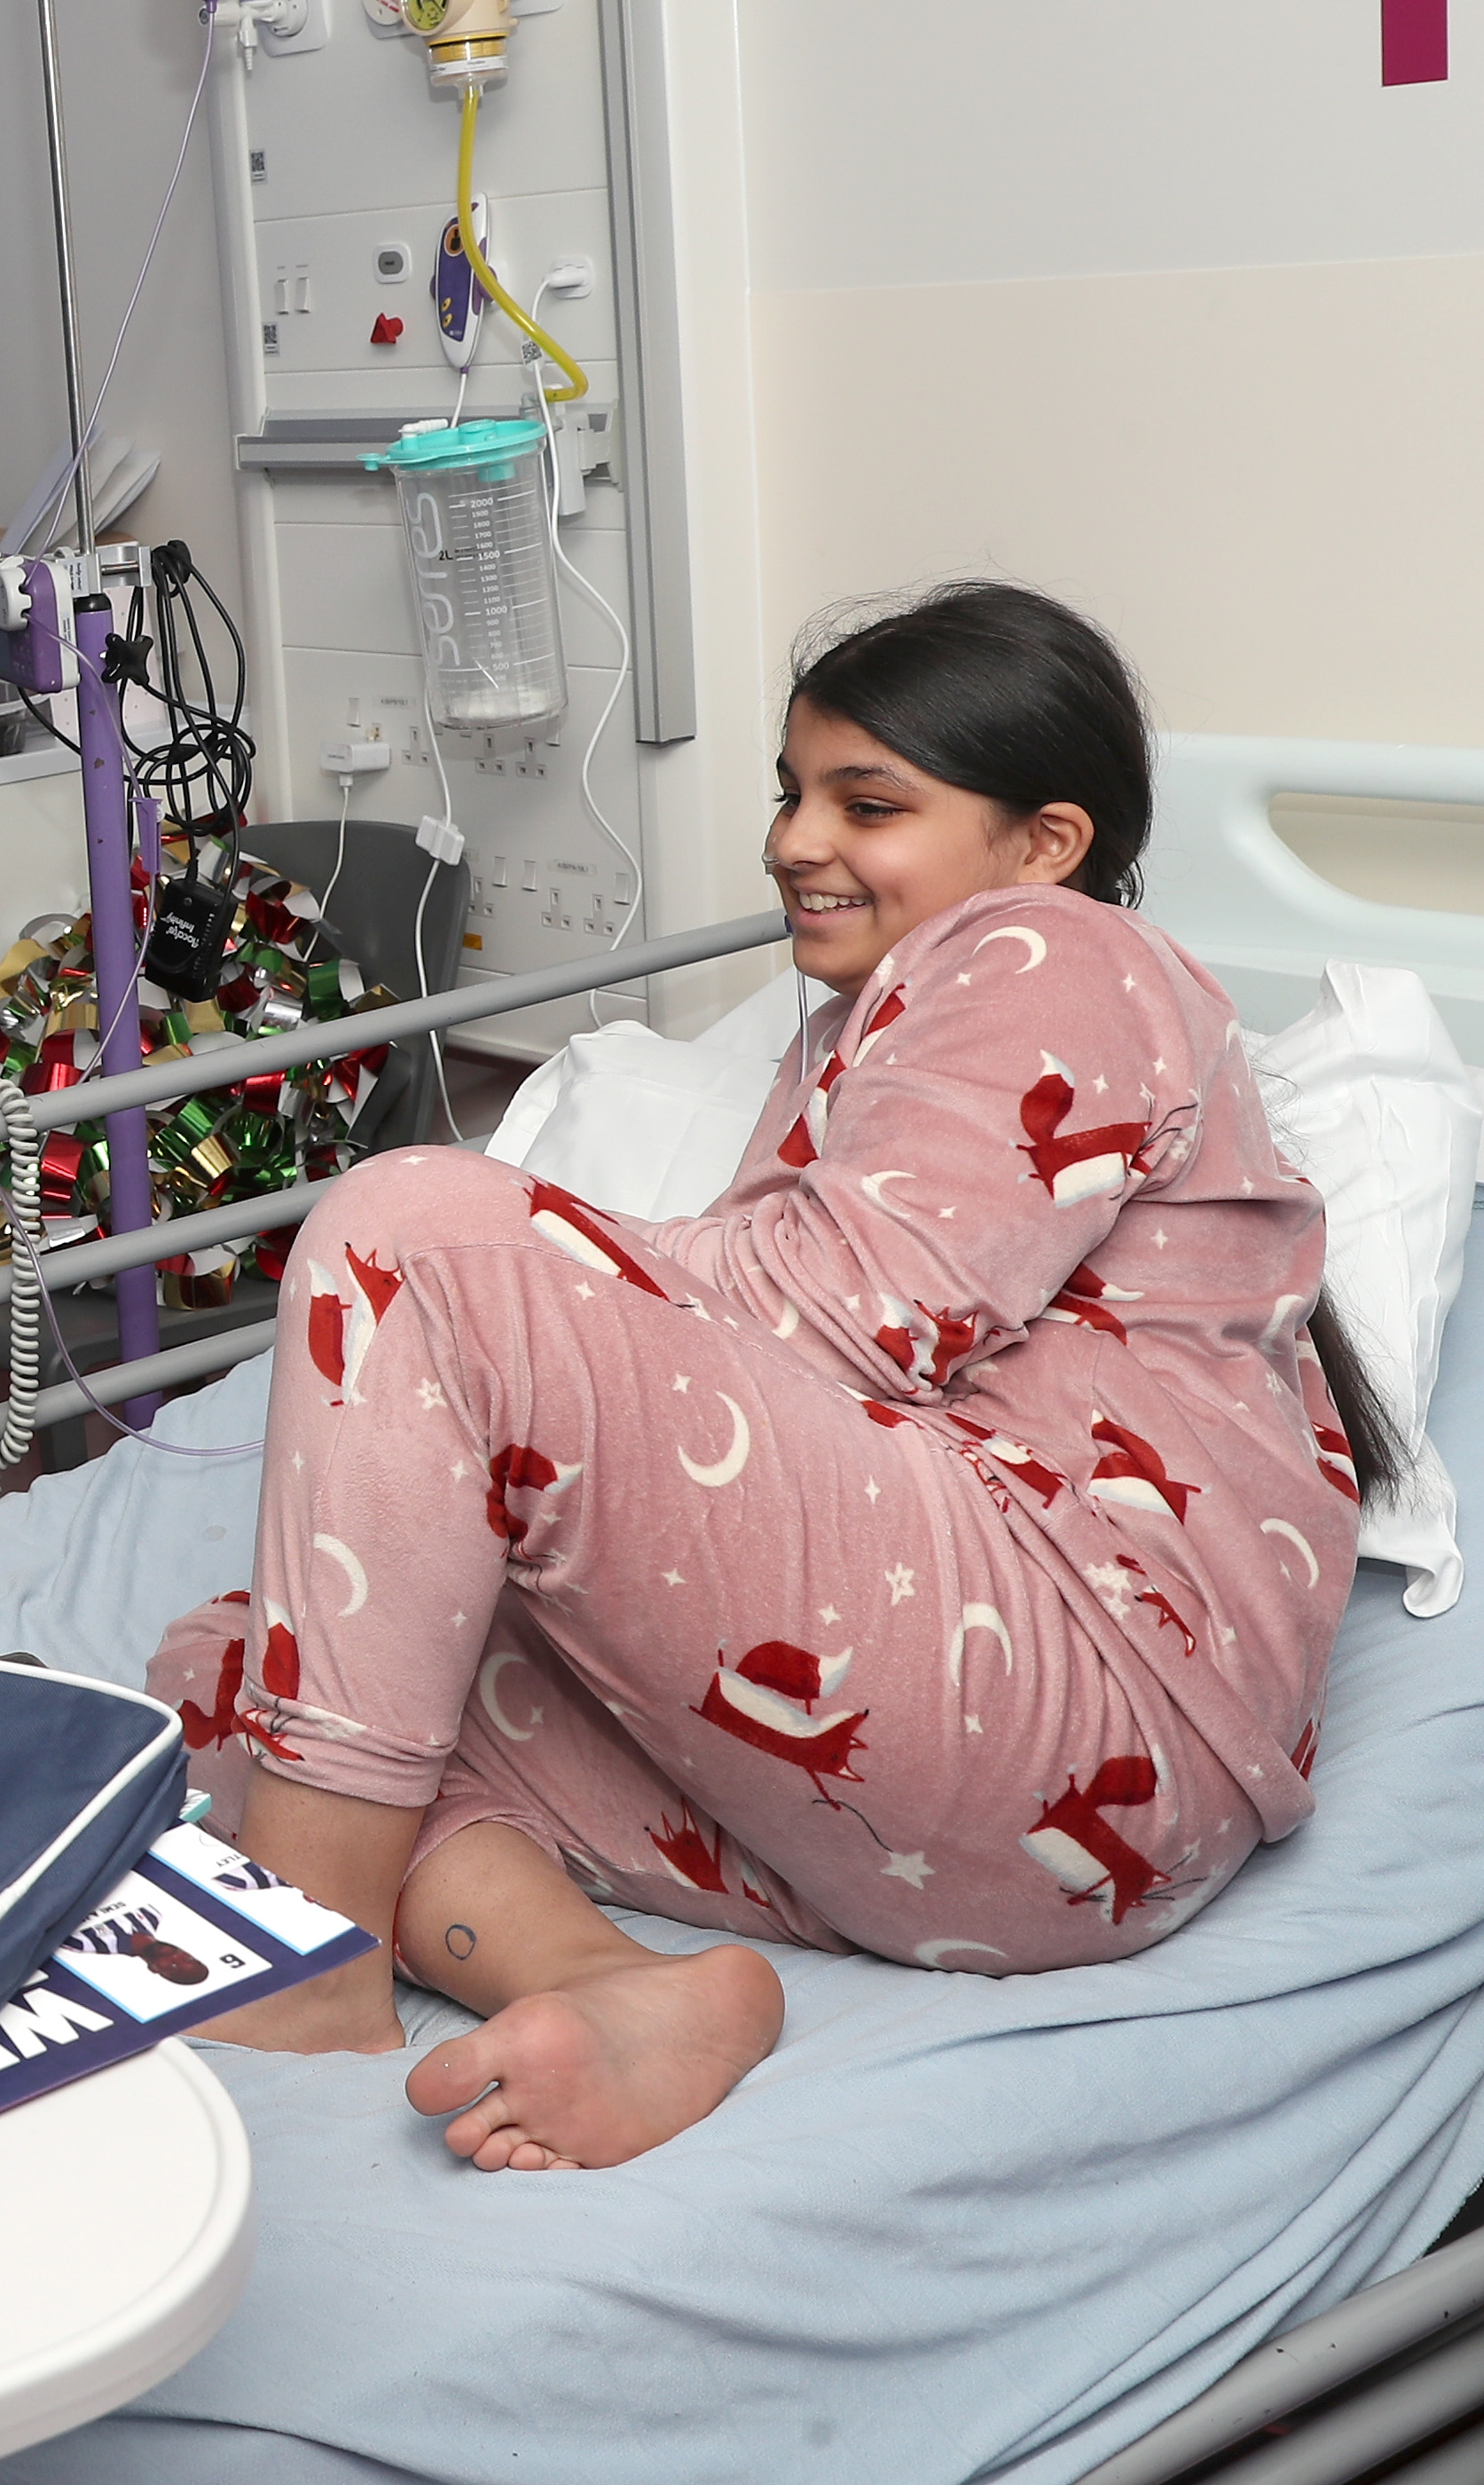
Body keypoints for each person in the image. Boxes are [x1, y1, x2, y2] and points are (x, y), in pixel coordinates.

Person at [166, 583, 1369, 2169]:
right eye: (793, 795)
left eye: (868, 804)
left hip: (1087, 1709)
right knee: (242, 1662)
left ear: (1047, 842)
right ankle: (610, 1989)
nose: (796, 840)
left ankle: (308, 1963)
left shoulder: (1059, 952)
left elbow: (849, 1317)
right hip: (939, 1851)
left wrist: (522, 1292)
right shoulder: (857, 1036)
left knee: (414, 1233)